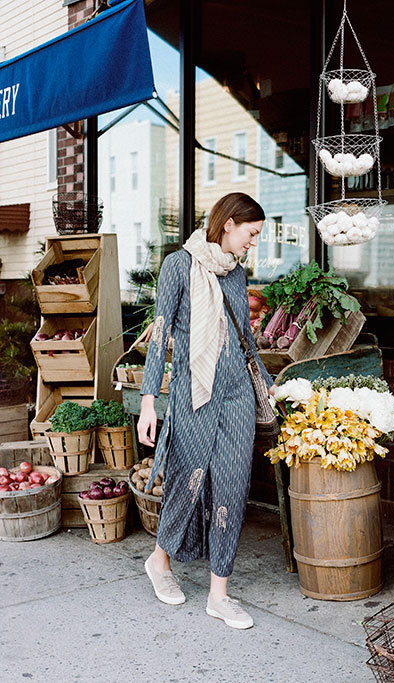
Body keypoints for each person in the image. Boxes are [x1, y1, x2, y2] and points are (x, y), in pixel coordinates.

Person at [137, 192, 276, 630]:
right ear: (229, 223)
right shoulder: (180, 265)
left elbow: (246, 342)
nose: (253, 242)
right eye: (251, 233)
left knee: (233, 489)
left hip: (237, 397)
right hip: (193, 395)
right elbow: (160, 335)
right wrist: (147, 402)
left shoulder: (236, 274)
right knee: (187, 482)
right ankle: (159, 561)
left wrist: (270, 390)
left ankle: (220, 594)